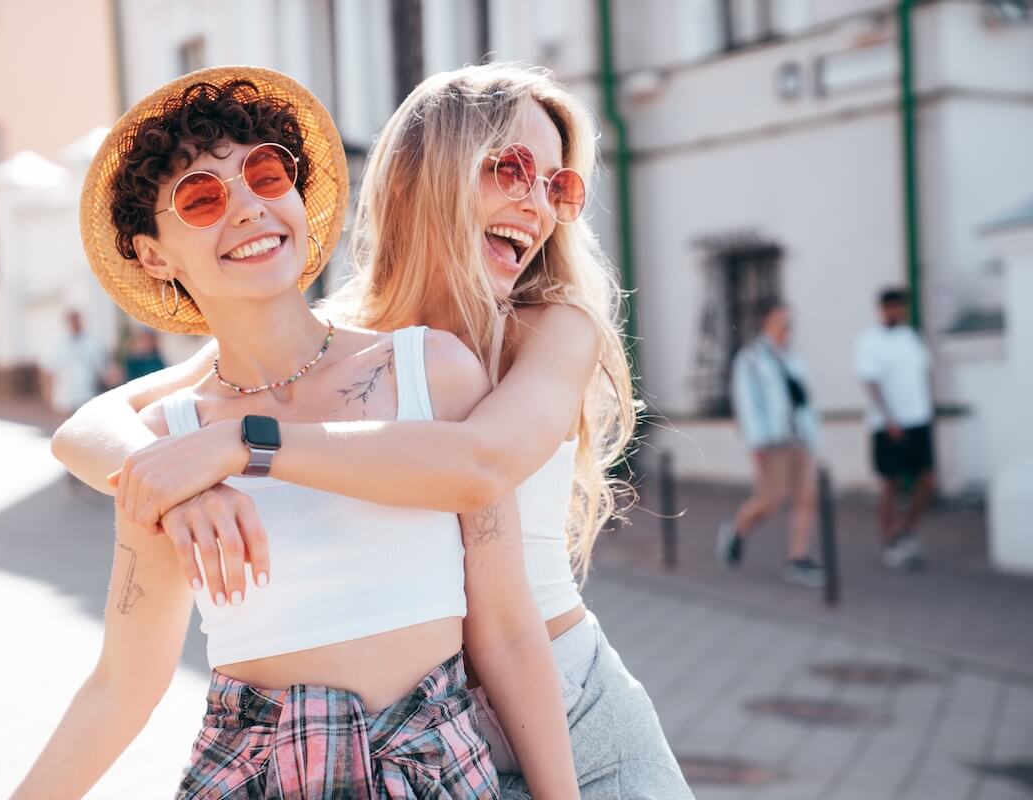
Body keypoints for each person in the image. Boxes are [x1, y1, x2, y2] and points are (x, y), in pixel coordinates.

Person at [54, 62, 693, 799]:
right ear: (432, 174)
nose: (537, 204)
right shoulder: (346, 334)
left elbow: (478, 465)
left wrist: (241, 446)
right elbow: (91, 424)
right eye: (512, 168)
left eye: (558, 185)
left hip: (569, 706)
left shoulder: (549, 325)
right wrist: (178, 491)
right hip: (424, 731)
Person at [716, 299, 824, 587]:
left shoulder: (792, 358)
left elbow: (803, 401)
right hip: (771, 442)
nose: (787, 326)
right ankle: (736, 529)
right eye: (781, 320)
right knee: (770, 500)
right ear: (766, 322)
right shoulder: (751, 358)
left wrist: (811, 436)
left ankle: (797, 558)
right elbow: (748, 404)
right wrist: (757, 443)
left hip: (798, 438)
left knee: (806, 497)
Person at [854, 287, 935, 570]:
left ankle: (907, 532)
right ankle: (887, 539)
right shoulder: (870, 341)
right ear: (882, 309)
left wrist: (927, 411)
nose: (897, 311)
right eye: (892, 307)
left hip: (918, 420)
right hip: (887, 424)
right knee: (891, 483)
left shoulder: (913, 338)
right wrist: (889, 419)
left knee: (927, 479)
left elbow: (924, 376)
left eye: (900, 306)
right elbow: (871, 382)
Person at [40, 309, 106, 418]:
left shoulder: (92, 341)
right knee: (64, 428)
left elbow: (101, 367)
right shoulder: (56, 342)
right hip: (64, 395)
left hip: (86, 394)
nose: (76, 323)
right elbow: (48, 369)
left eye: (78, 320)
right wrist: (47, 393)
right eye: (73, 320)